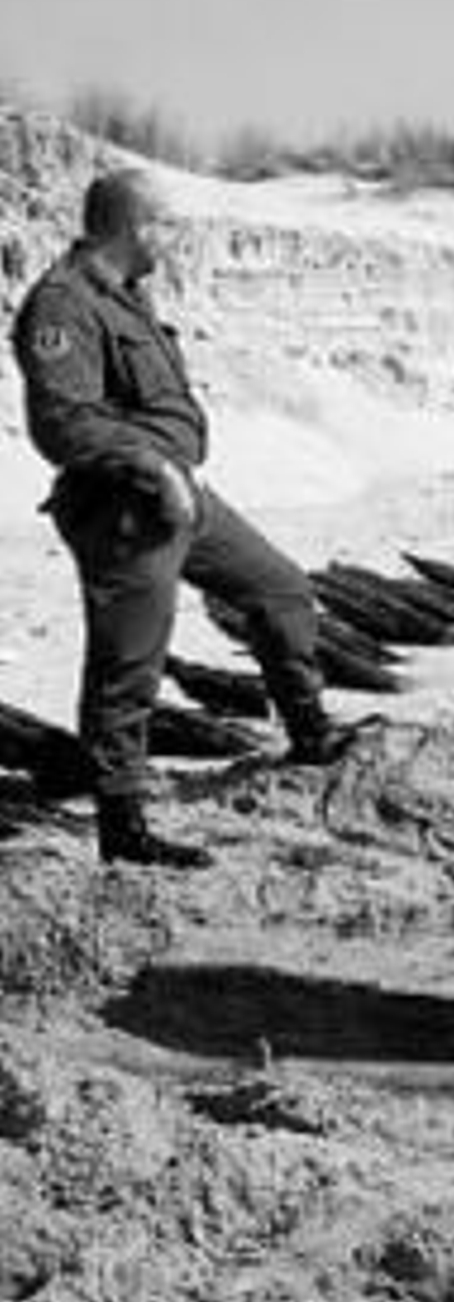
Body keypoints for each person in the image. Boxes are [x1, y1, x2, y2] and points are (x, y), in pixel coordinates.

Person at [9, 168, 353, 869]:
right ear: (133, 226)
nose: (174, 236)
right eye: (165, 223)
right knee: (128, 665)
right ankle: (123, 825)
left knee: (281, 589)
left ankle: (310, 731)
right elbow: (64, 424)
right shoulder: (62, 304)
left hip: (180, 495)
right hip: (125, 509)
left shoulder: (128, 296)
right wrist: (153, 466)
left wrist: (178, 471)